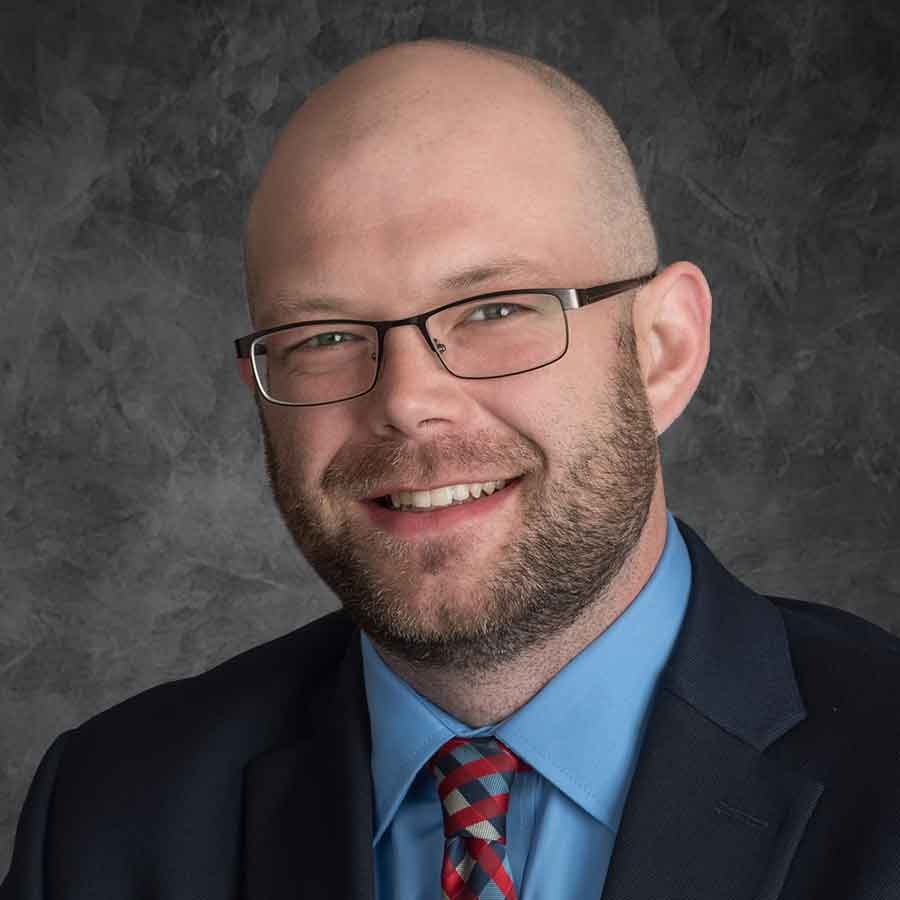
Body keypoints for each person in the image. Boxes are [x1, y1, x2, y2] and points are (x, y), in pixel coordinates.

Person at [3, 37, 899, 900]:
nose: (406, 400)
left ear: (663, 350)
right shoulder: (109, 816)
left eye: (494, 309)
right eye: (323, 336)